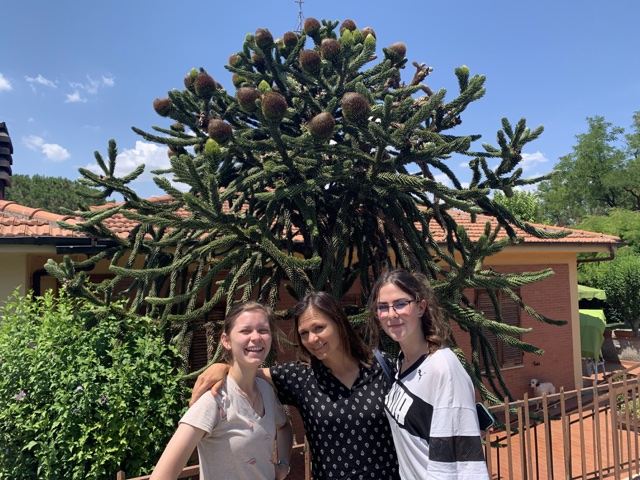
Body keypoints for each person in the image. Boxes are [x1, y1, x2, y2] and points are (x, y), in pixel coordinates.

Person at [190, 291, 400, 479]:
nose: (312, 339)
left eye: (319, 327)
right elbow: (248, 370)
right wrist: (222, 367)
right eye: (304, 333)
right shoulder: (301, 377)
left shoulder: (384, 366)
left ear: (339, 323)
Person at [366, 269, 489, 479]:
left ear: (421, 307)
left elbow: (463, 465)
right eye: (383, 307)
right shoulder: (402, 362)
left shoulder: (443, 367)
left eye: (400, 304)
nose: (392, 314)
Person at [150, 301, 293, 480]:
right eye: (245, 331)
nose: (256, 337)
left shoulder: (266, 391)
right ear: (226, 340)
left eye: (263, 330)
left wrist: (283, 466)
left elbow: (284, 426)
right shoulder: (214, 399)